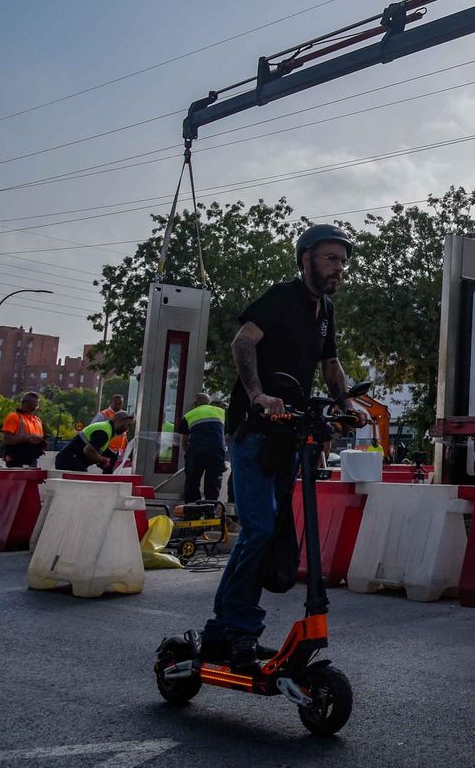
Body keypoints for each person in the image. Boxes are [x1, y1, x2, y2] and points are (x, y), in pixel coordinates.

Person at [201, 223, 363, 666]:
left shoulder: (325, 311)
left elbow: (331, 365)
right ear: (306, 257)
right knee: (258, 530)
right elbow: (242, 342)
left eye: (343, 261)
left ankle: (223, 630)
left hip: (289, 434)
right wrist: (257, 396)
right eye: (331, 258)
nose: (339, 268)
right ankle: (239, 628)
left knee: (270, 533)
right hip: (255, 431)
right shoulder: (281, 296)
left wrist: (346, 404)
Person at [177, 392, 228, 504]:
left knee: (192, 482)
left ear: (195, 403)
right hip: (216, 450)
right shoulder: (221, 412)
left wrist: (189, 455)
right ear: (208, 402)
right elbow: (227, 434)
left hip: (196, 451)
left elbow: (184, 442)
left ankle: (192, 510)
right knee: (213, 483)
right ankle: (210, 509)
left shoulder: (189, 415)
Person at [54, 412, 134, 472]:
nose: (128, 429)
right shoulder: (104, 432)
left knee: (111, 457)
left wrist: (108, 461)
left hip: (70, 460)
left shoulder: (107, 428)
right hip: (70, 461)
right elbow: (88, 450)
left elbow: (100, 450)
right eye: (128, 425)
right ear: (118, 421)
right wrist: (102, 461)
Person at [0, 391, 46, 468]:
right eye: (32, 405)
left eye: (36, 405)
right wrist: (27, 439)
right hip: (16, 459)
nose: (35, 407)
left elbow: (39, 439)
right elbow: (6, 439)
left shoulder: (37, 420)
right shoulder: (14, 417)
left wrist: (42, 444)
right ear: (24, 403)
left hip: (32, 459)